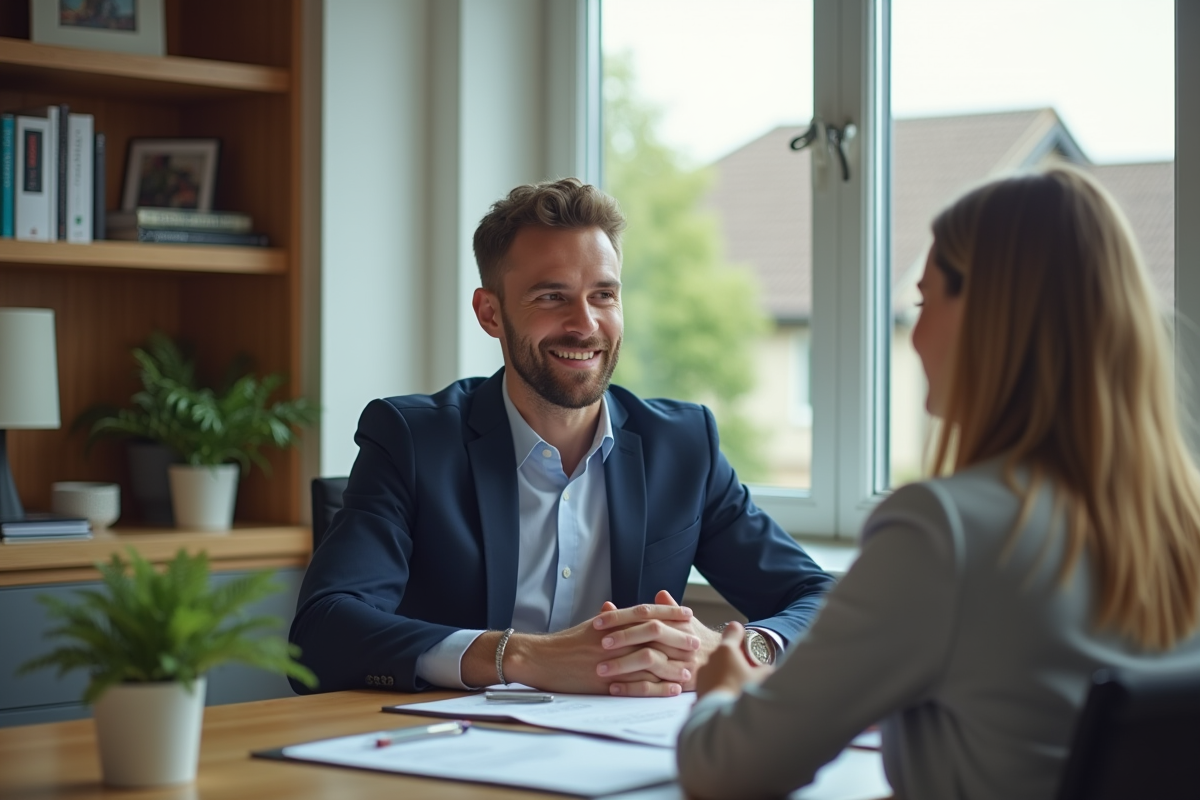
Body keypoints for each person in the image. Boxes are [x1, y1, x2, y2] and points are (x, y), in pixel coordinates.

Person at [677, 166, 1200, 799]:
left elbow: (727, 770)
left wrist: (721, 693)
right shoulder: (1179, 521)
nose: (916, 335)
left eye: (925, 302)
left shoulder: (944, 531)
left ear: (988, 314)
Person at [289, 178, 834, 697]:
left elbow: (825, 599)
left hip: (618, 749)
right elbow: (321, 632)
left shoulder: (683, 446)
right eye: (552, 297)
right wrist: (523, 656)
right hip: (448, 749)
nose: (585, 324)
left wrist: (740, 650)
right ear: (490, 313)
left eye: (603, 295)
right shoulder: (411, 441)